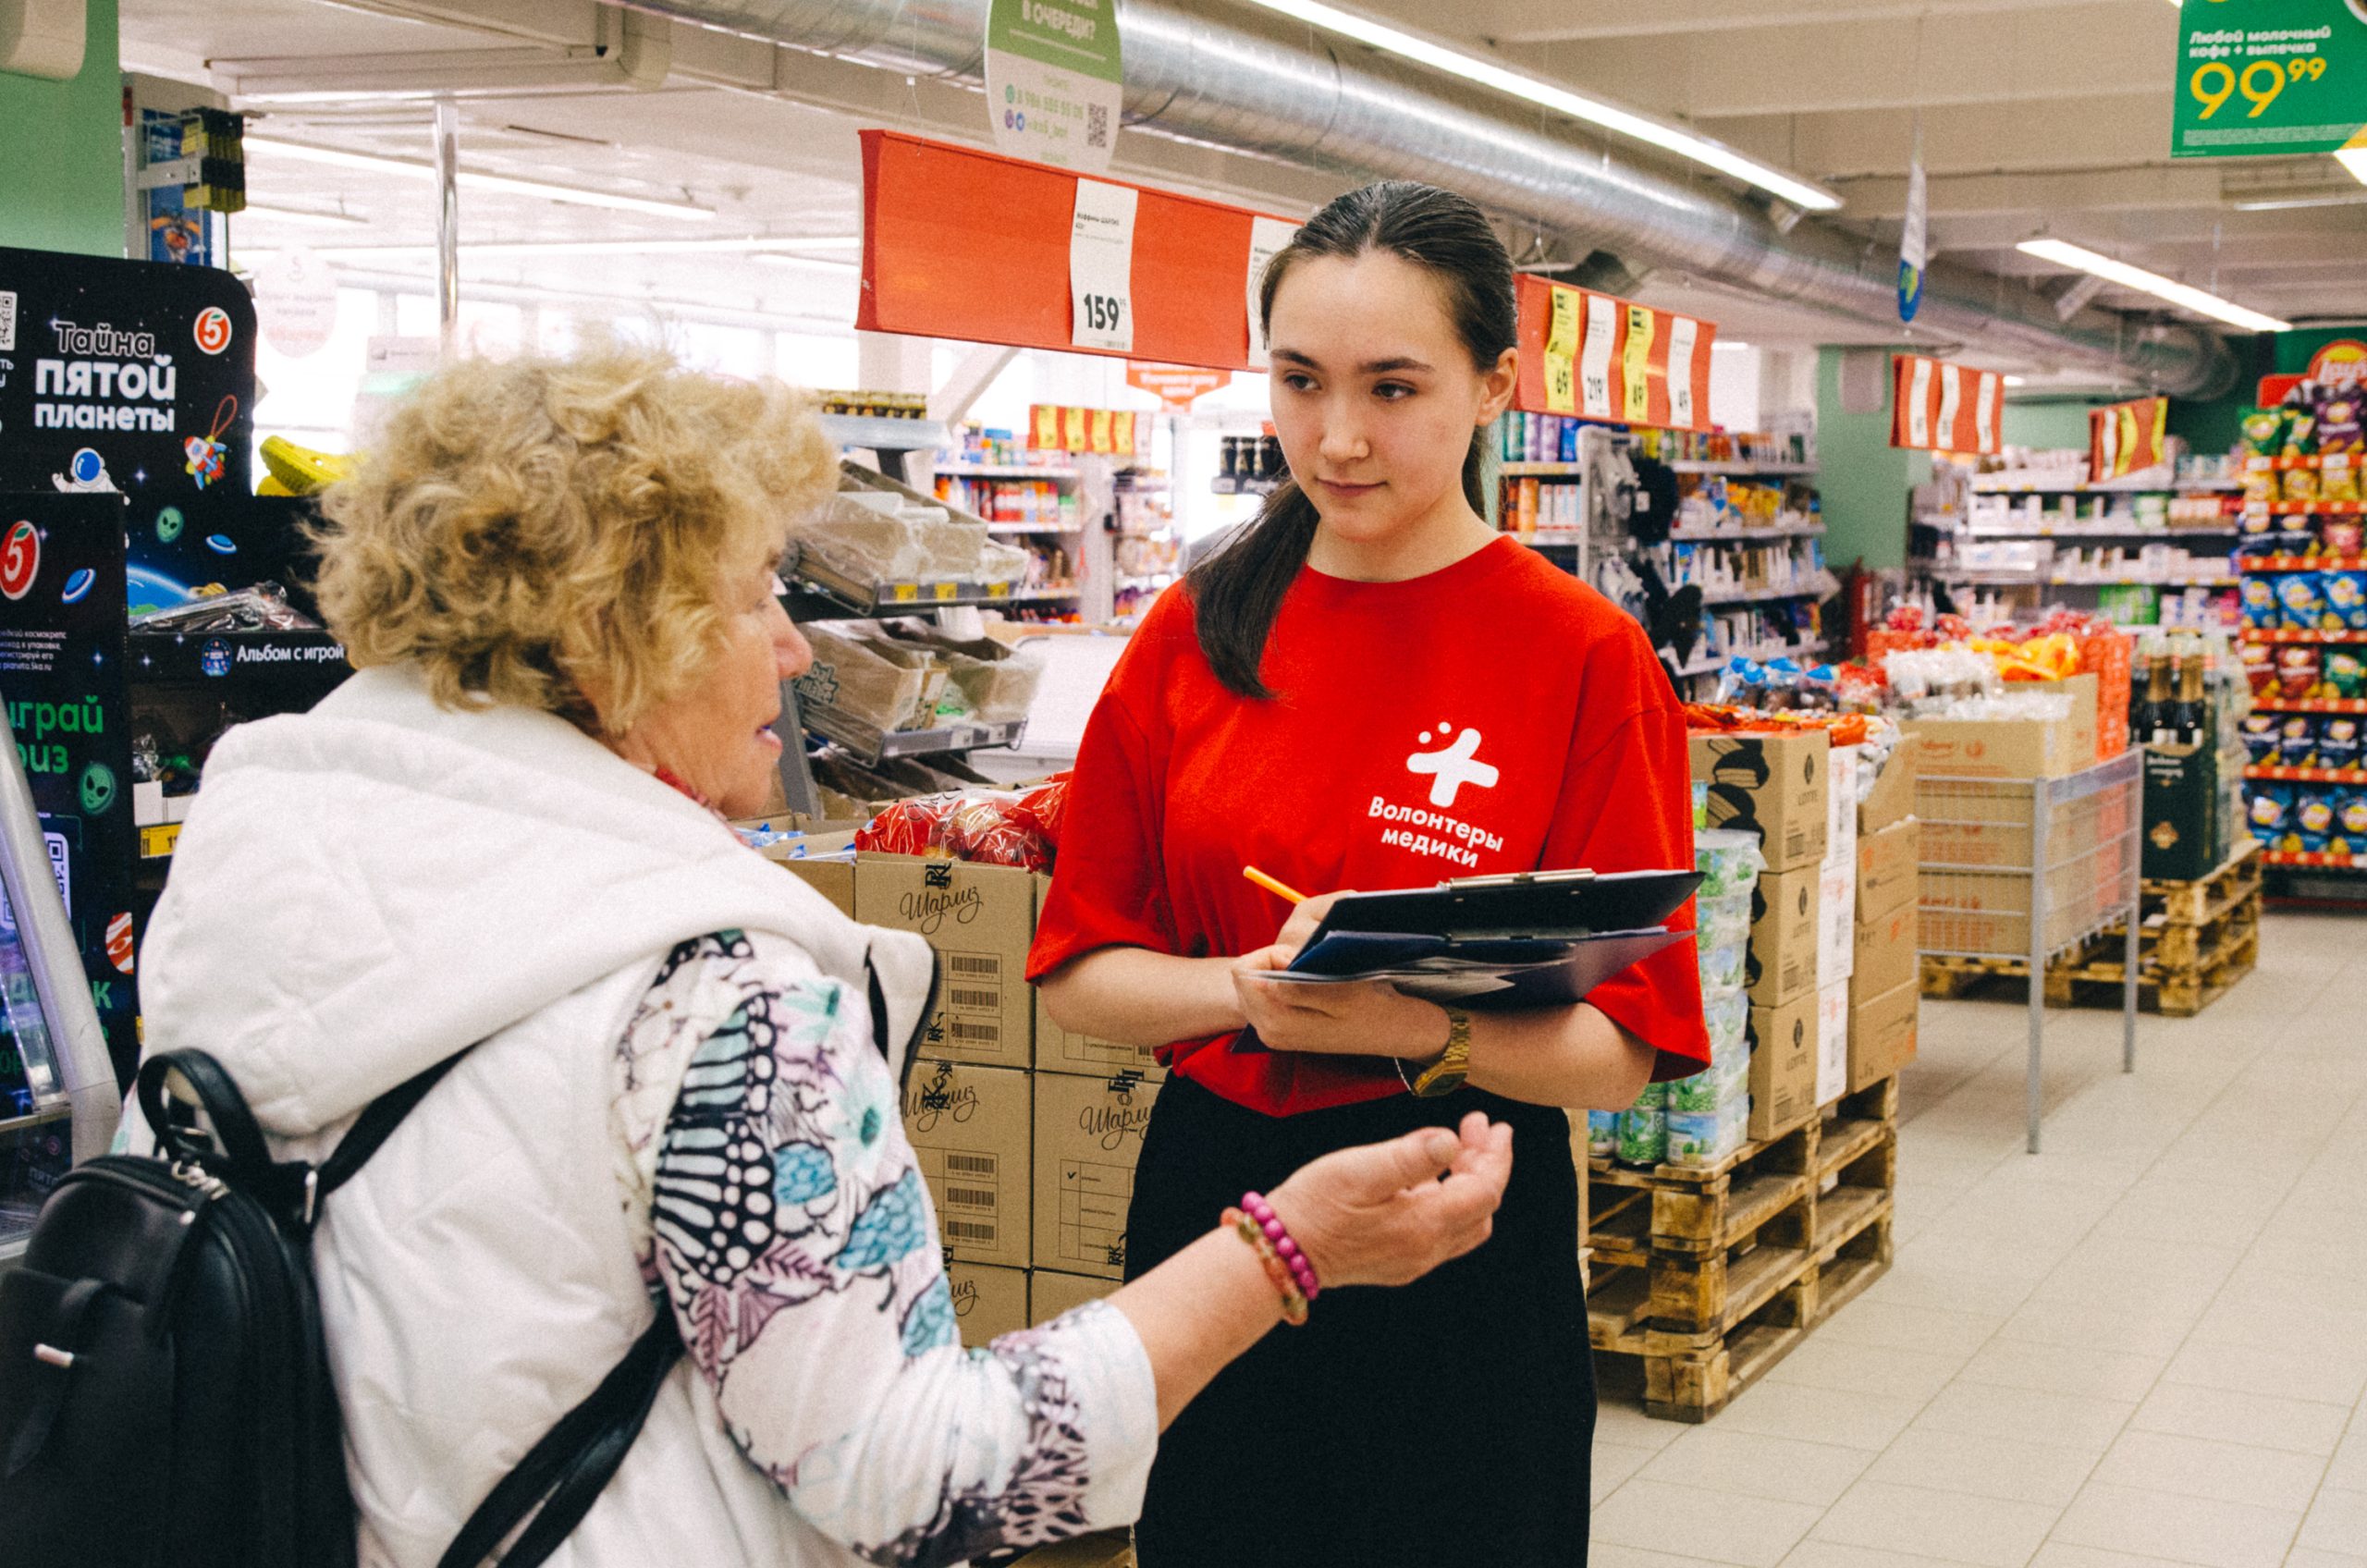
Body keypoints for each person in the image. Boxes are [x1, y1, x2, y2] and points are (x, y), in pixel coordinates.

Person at [124, 347, 1515, 1568]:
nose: (794, 648)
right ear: (616, 639)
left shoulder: (258, 868)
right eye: (748, 600)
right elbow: (910, 1480)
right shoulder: (717, 996)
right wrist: (1282, 1252)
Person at [1030, 181, 1711, 1567]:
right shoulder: (1194, 632)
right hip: (1217, 1204)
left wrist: (1418, 1027)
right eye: (1300, 381)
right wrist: (1246, 987)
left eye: (1393, 387)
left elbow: (1627, 1052)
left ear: (1493, 384)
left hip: (1459, 1206)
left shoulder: (1584, 660)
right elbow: (1079, 978)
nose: (1337, 438)